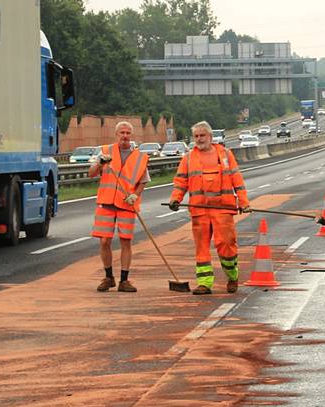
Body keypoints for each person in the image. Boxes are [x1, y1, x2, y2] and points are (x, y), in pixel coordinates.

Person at [169, 121, 251, 295]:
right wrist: (175, 199)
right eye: (196, 136)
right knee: (202, 248)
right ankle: (204, 283)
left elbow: (237, 180)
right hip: (199, 210)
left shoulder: (226, 155)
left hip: (223, 209)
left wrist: (243, 202)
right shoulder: (189, 158)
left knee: (226, 245)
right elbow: (180, 181)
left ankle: (232, 276)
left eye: (202, 135)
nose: (199, 139)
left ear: (210, 137)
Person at [89, 121, 151, 292]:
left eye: (128, 133)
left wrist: (135, 195)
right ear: (116, 135)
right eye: (122, 132)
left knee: (126, 241)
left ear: (131, 135)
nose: (125, 136)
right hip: (106, 203)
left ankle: (124, 280)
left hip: (126, 204)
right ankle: (109, 277)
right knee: (104, 241)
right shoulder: (105, 152)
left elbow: (143, 181)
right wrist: (99, 163)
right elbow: (91, 173)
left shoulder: (140, 157)